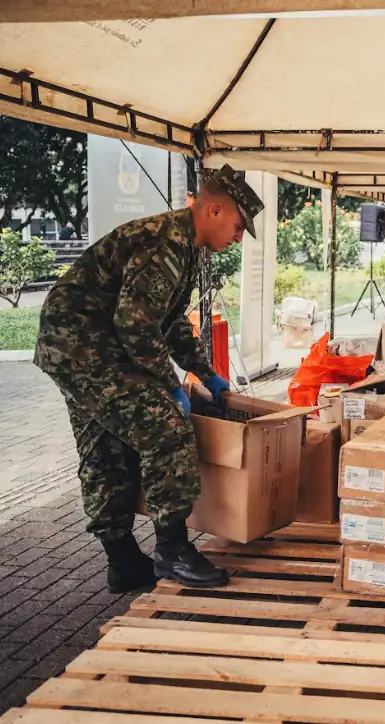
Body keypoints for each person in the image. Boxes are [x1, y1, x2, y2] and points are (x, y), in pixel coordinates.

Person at [34, 165, 265, 593]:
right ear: (215, 210)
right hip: (85, 345)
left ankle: (123, 562)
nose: (238, 237)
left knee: (104, 444)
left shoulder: (186, 246)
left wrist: (207, 374)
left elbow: (169, 322)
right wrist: (170, 385)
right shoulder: (167, 242)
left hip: (80, 345)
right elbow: (136, 325)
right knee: (167, 429)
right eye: (238, 226)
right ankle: (172, 551)